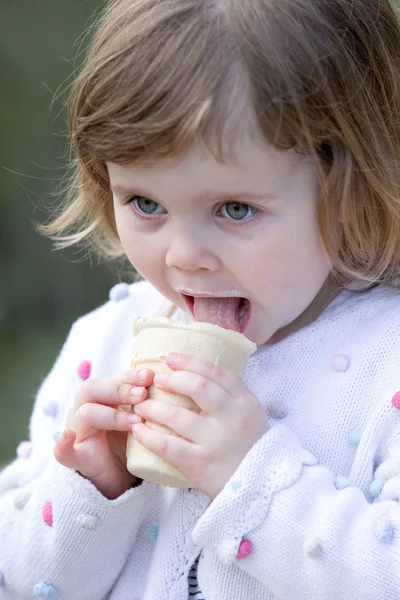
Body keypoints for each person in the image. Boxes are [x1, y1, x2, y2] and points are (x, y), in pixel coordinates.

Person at [2, 0, 400, 598]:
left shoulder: (386, 365)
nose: (184, 255)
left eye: (235, 209)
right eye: (145, 204)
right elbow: (25, 579)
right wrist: (92, 490)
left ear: (353, 189)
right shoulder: (105, 342)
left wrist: (254, 480)